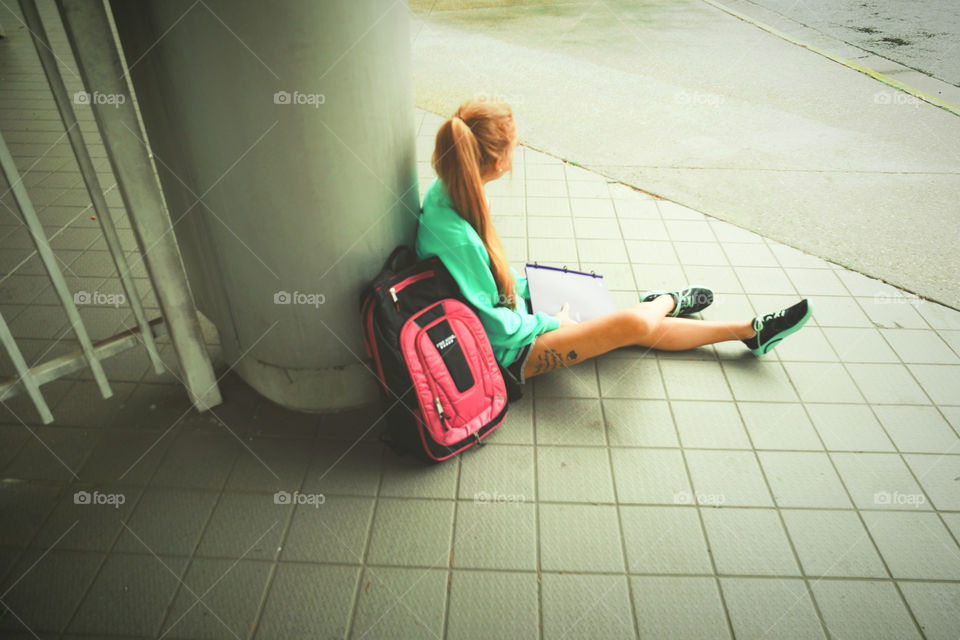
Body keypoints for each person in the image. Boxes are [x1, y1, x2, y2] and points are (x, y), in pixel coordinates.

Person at [415, 97, 811, 384]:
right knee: (635, 321)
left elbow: (487, 285)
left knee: (625, 327)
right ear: (499, 162)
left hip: (517, 315)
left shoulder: (450, 189)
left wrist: (529, 289)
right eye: (515, 149)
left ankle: (751, 331)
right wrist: (553, 321)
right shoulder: (456, 231)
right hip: (512, 352)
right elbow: (496, 327)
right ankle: (665, 301)